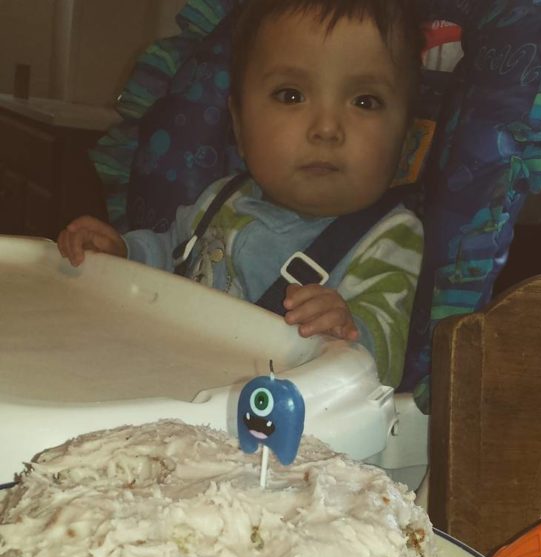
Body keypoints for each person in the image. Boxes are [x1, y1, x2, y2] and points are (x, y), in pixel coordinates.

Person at [57, 0, 424, 388]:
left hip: (280, 434)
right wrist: (121, 256)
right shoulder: (220, 199)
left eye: (365, 101)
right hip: (171, 387)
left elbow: (384, 359)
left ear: (407, 140)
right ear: (239, 124)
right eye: (291, 95)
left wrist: (347, 328)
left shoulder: (389, 238)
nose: (327, 128)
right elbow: (167, 256)